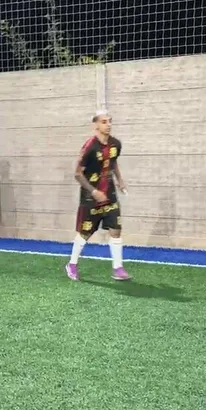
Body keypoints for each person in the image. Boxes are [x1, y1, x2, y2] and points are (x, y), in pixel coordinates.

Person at [66, 111, 129, 282]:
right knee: (85, 232)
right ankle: (72, 264)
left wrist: (120, 181)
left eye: (110, 121)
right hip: (90, 197)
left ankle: (118, 268)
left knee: (116, 229)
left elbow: (113, 162)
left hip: (109, 194)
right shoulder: (89, 147)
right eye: (104, 122)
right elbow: (78, 174)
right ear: (96, 125)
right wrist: (94, 192)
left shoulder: (116, 144)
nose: (108, 124)